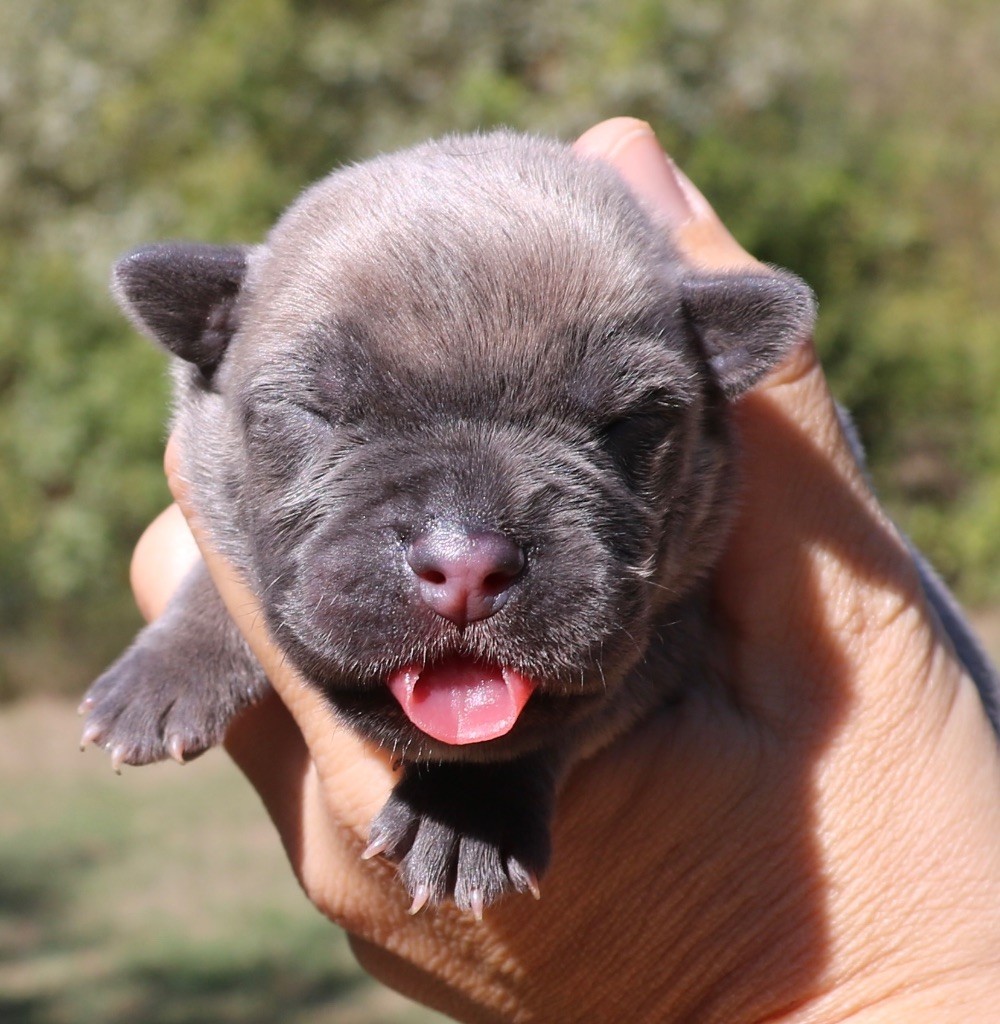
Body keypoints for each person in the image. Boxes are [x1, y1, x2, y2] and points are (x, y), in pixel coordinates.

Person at [130, 118, 1000, 1022]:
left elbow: (703, 637)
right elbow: (218, 517)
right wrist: (207, 625)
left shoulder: (769, 482)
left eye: (613, 425)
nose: (463, 557)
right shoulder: (227, 400)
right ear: (211, 332)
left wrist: (513, 773)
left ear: (718, 365)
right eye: (317, 415)